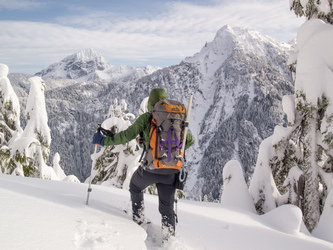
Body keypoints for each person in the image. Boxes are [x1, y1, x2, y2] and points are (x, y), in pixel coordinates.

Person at [92, 88, 194, 241]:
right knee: (167, 209)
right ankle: (169, 240)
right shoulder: (176, 119)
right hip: (172, 171)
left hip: (150, 170)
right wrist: (170, 149)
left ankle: (139, 219)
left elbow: (126, 136)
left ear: (151, 103)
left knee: (135, 186)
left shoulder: (147, 118)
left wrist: (103, 140)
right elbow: (189, 140)